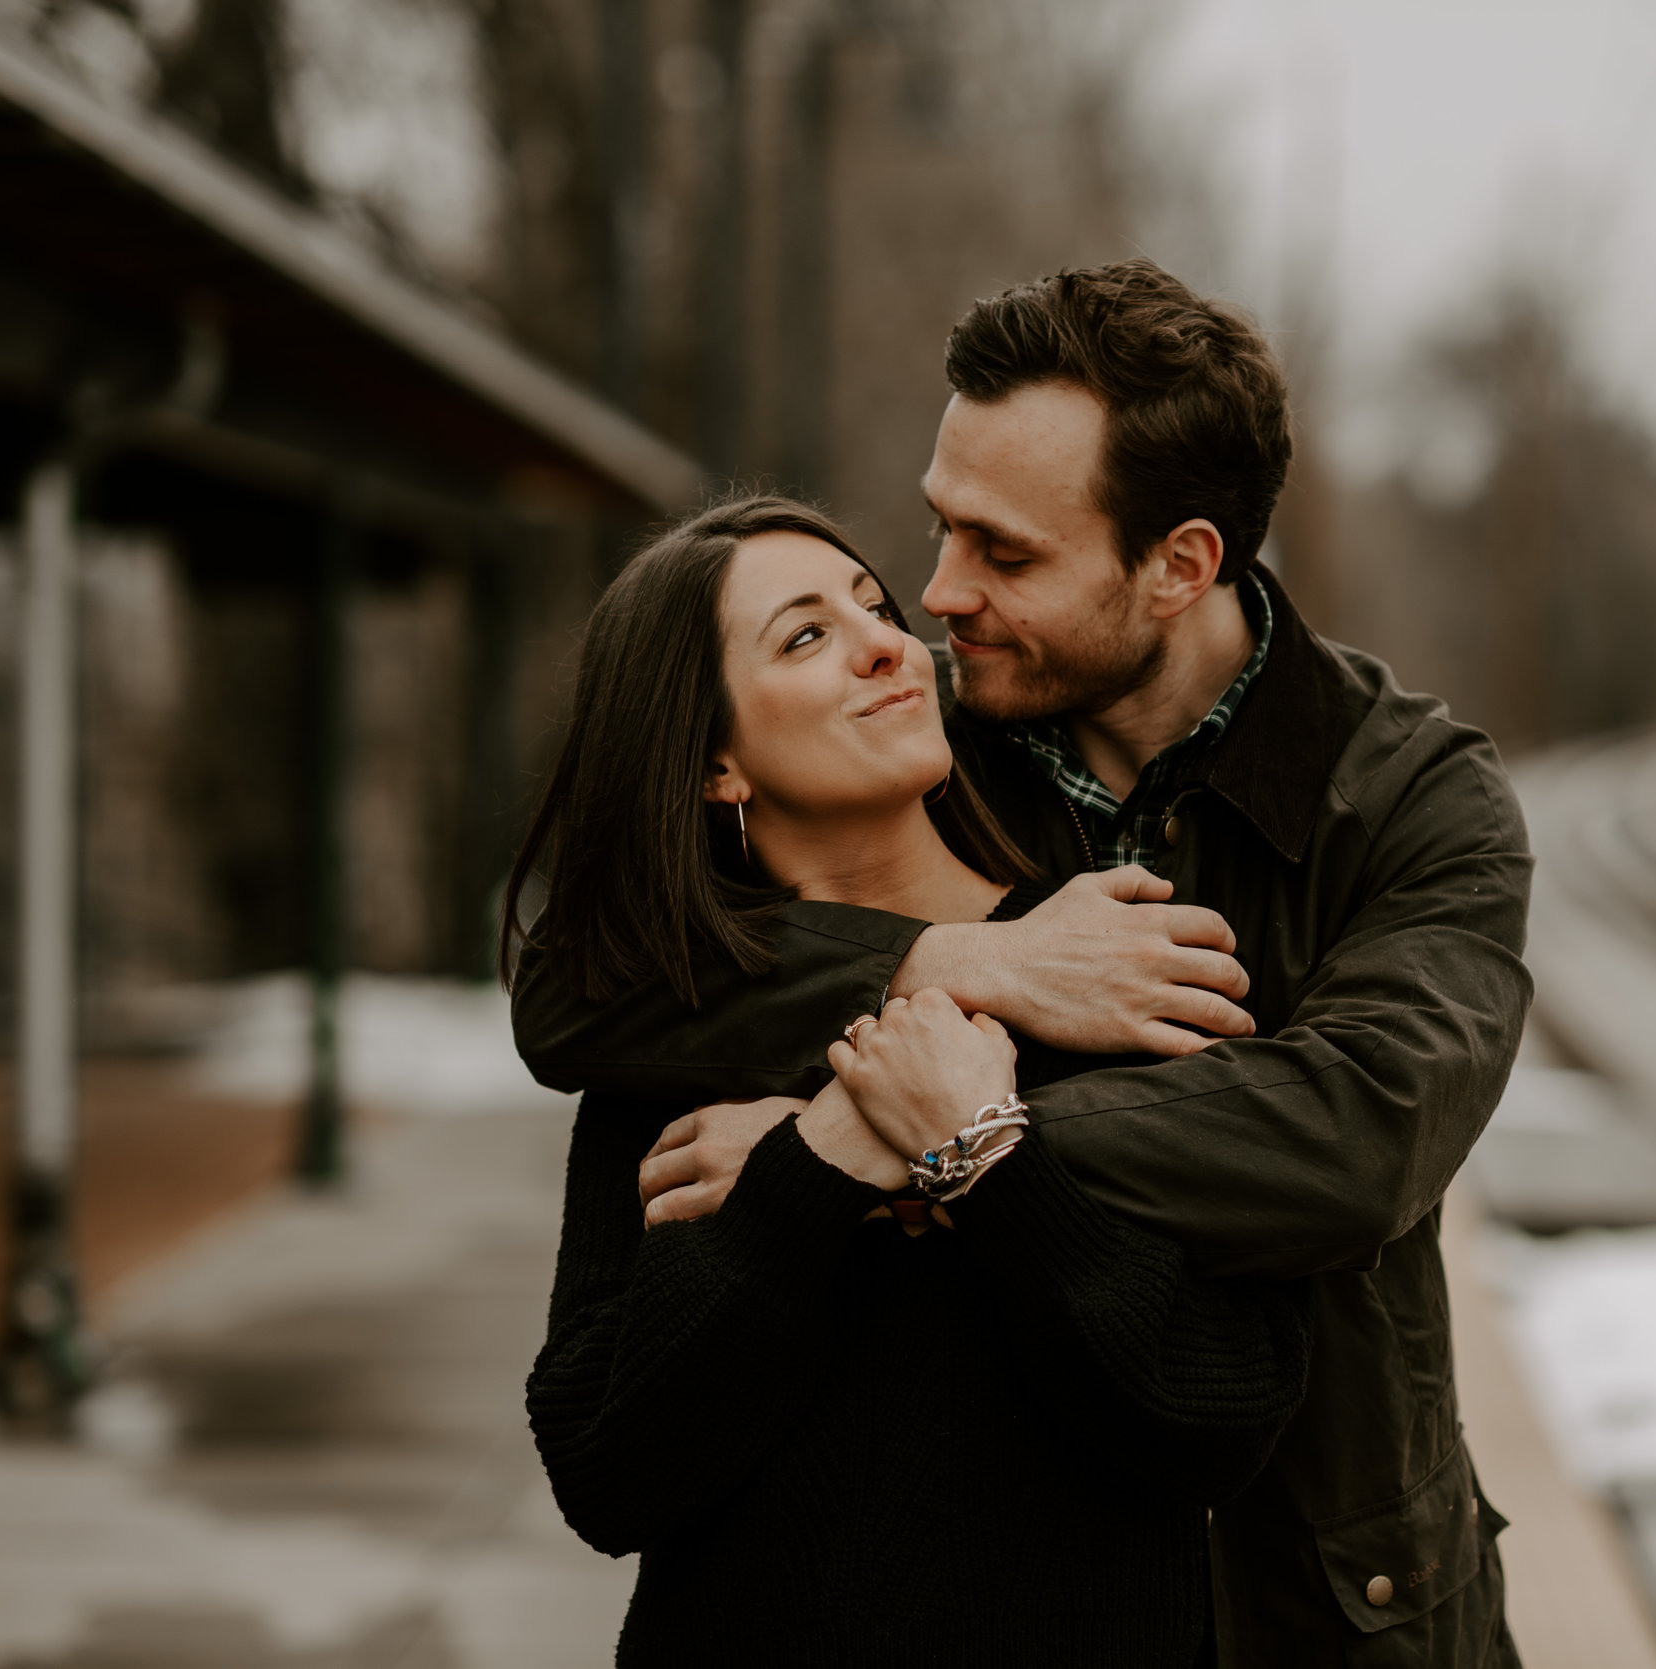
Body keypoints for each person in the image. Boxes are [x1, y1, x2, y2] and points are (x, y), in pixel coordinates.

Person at [515, 259, 1535, 1667]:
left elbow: (1354, 1137)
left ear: (1179, 564)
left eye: (1002, 553)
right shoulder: (927, 747)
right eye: (938, 531)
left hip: (1326, 1604)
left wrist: (925, 1138)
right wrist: (950, 964)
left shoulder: (1413, 803)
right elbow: (594, 972)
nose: (934, 599)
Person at [510, 497, 1312, 1667]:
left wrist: (981, 1156)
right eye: (804, 635)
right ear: (712, 761)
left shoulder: (1119, 963)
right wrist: (821, 1161)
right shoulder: (683, 1038)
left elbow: (1221, 1410)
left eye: (874, 608)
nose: (889, 642)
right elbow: (606, 1472)